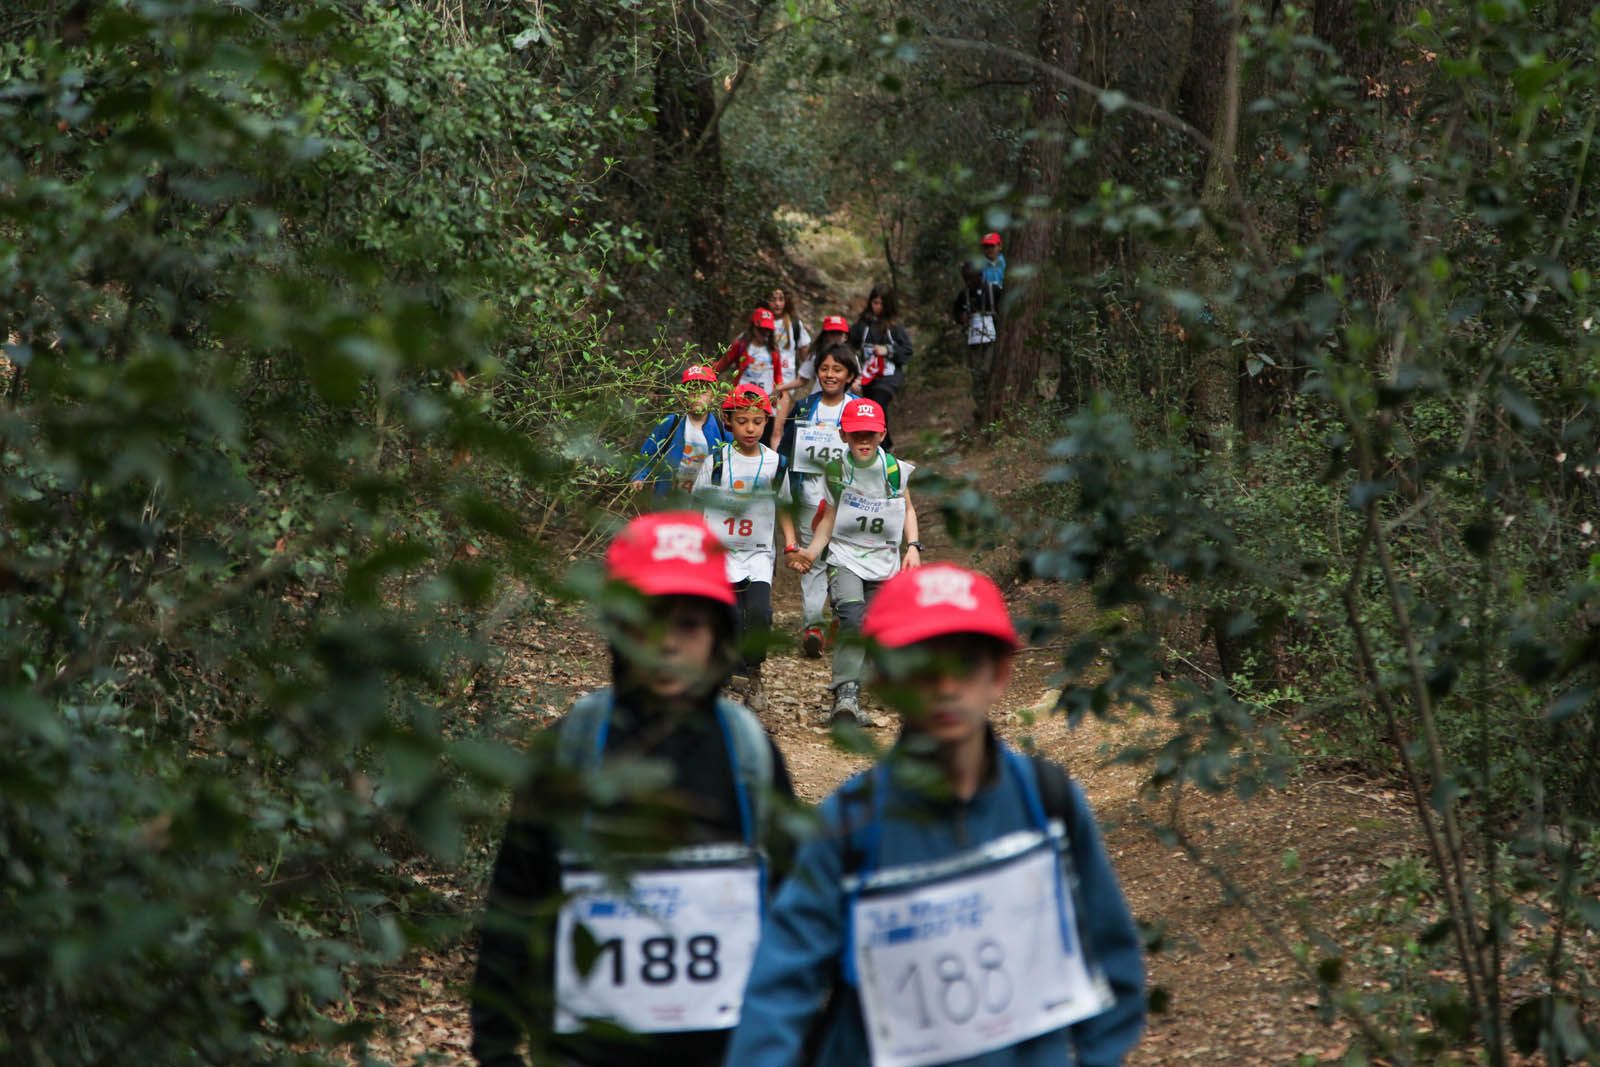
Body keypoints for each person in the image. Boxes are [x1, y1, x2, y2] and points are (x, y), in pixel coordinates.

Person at [722, 564, 1147, 1067]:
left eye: (965, 662)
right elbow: (781, 987)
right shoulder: (849, 825)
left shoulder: (1047, 802)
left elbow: (1111, 959)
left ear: (999, 674)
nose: (945, 685)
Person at [469, 512, 797, 1067]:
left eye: (688, 625)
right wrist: (497, 1045)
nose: (666, 645)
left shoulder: (747, 754)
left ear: (719, 634)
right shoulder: (570, 749)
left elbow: (796, 915)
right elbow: (515, 901)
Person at [786, 397, 920, 725]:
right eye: (856, 433)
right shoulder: (837, 470)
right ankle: (846, 695)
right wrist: (812, 553)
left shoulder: (893, 470)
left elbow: (909, 509)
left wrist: (913, 546)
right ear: (843, 434)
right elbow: (830, 516)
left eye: (870, 434)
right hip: (845, 558)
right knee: (852, 619)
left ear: (882, 434)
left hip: (884, 562)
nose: (863, 440)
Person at [693, 384, 796, 713]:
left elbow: (783, 508)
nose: (750, 429)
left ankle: (753, 670)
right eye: (742, 421)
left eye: (756, 421)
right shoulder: (717, 461)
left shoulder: (775, 464)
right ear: (728, 422)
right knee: (729, 616)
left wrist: (792, 543)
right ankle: (727, 676)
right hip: (719, 554)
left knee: (759, 614)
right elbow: (698, 503)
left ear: (767, 422)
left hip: (758, 554)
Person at [776, 344, 861, 658]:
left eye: (837, 370)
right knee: (811, 563)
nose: (829, 375)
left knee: (844, 561)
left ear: (849, 375)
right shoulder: (804, 406)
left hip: (850, 503)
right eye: (824, 369)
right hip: (810, 497)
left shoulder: (858, 407)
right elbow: (786, 448)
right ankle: (813, 626)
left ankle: (841, 619)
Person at [631, 365, 727, 495]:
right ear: (684, 396)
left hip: (702, 500)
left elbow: (733, 461)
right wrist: (639, 476)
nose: (697, 396)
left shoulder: (721, 428)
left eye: (704, 391)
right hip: (669, 496)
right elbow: (649, 453)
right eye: (692, 391)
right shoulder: (672, 423)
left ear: (713, 396)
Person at [773, 313, 850, 425]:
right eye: (832, 333)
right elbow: (802, 379)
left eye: (839, 334)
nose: (835, 337)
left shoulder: (851, 358)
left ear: (845, 336)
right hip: (817, 402)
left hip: (843, 405)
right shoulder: (816, 355)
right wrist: (780, 388)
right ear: (825, 335)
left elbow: (856, 381)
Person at [951, 262, 1003, 425]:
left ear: (981, 276)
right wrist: (962, 318)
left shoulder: (993, 291)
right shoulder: (963, 295)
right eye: (967, 279)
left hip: (992, 338)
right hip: (973, 339)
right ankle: (982, 408)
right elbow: (956, 313)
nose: (970, 282)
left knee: (989, 370)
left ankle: (994, 405)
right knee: (977, 374)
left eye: (973, 278)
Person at [848, 286, 912, 415]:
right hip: (867, 377)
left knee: (878, 406)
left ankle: (880, 433)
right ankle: (882, 435)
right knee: (869, 413)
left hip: (889, 377)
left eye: (882, 304)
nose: (878, 307)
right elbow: (849, 346)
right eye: (875, 303)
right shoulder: (863, 325)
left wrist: (888, 350)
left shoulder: (894, 326)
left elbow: (907, 351)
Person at [713, 307, 785, 397]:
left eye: (768, 330)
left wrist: (779, 387)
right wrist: (704, 371)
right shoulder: (740, 345)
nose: (764, 333)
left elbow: (778, 374)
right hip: (740, 397)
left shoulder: (773, 350)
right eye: (761, 329)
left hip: (765, 400)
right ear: (753, 327)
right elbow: (720, 366)